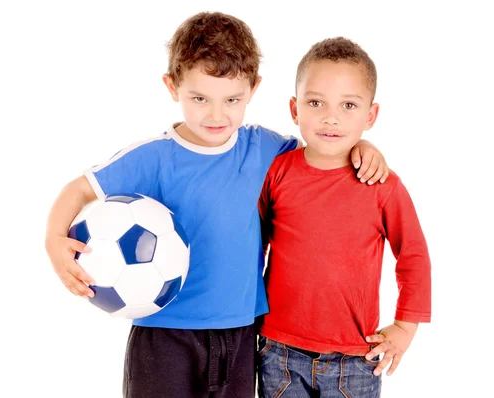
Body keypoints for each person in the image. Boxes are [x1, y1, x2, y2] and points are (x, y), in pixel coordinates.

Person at [45, 14, 389, 398]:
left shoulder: (263, 148)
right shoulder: (154, 157)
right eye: (199, 98)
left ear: (253, 90)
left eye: (232, 100)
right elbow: (78, 189)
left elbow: (323, 149)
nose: (216, 115)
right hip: (165, 335)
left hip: (241, 333)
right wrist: (53, 239)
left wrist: (362, 146)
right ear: (172, 86)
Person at [257, 37, 431, 397]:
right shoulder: (277, 172)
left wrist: (405, 328)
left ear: (371, 115)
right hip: (279, 351)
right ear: (294, 109)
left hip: (354, 358)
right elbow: (251, 243)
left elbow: (413, 255)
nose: (330, 117)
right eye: (315, 102)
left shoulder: (381, 183)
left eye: (348, 105)